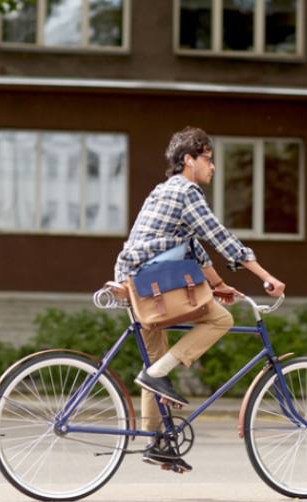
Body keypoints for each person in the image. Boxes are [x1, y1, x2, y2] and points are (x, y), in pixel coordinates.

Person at [113, 126, 285, 472]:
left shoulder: (163, 191)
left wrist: (219, 284)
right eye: (207, 159)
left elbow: (193, 246)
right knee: (221, 320)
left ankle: (158, 444)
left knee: (156, 360)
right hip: (150, 283)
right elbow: (219, 237)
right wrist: (266, 277)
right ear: (188, 160)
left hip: (138, 282)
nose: (213, 167)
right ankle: (157, 376)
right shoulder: (187, 191)